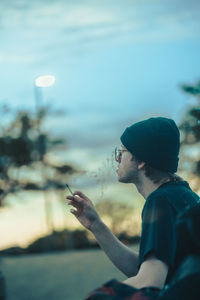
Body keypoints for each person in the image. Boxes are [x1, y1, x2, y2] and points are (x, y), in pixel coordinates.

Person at [66, 117, 199, 298]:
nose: (117, 158)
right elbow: (147, 269)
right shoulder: (181, 196)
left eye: (122, 152)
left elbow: (149, 282)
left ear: (141, 160)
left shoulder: (160, 201)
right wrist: (96, 225)